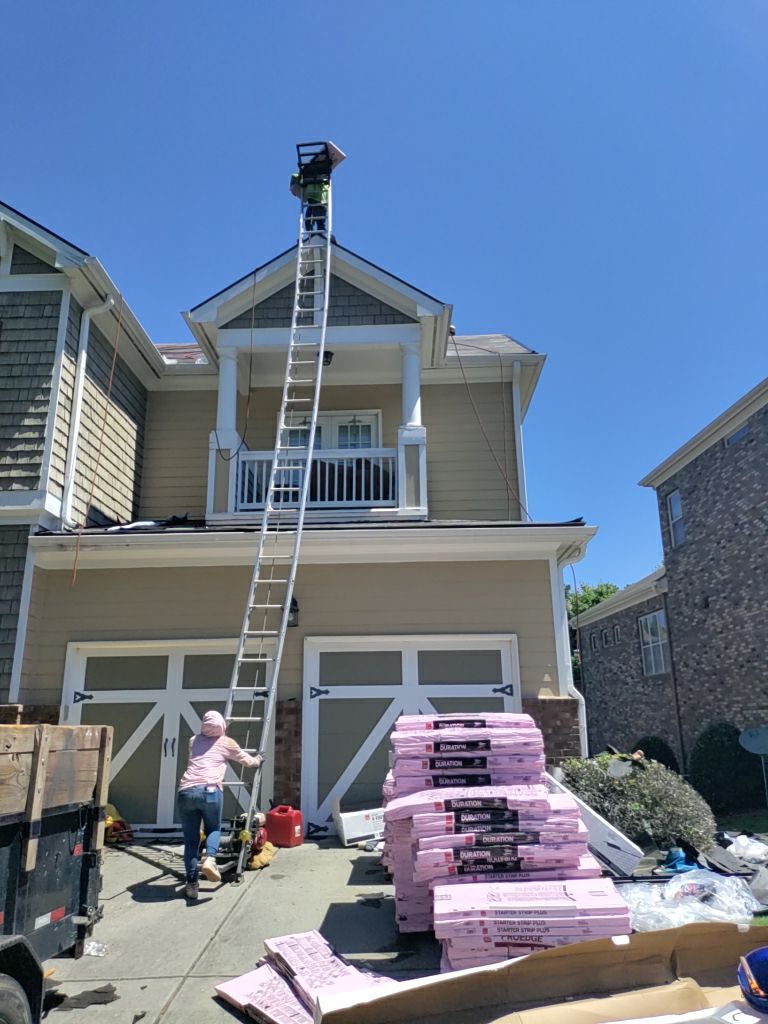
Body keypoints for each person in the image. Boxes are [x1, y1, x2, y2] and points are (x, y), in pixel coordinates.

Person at [176, 710, 263, 900]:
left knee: (191, 841)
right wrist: (258, 759)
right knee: (213, 828)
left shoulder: (193, 740)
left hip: (185, 791)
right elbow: (247, 762)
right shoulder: (226, 742)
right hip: (210, 791)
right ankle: (211, 859)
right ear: (223, 725)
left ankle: (191, 885)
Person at [290, 170, 330, 235]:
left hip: (319, 200)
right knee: (310, 223)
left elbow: (296, 176)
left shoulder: (321, 173)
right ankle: (314, 237)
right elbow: (296, 176)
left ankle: (318, 237)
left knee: (317, 223)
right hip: (313, 199)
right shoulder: (310, 172)